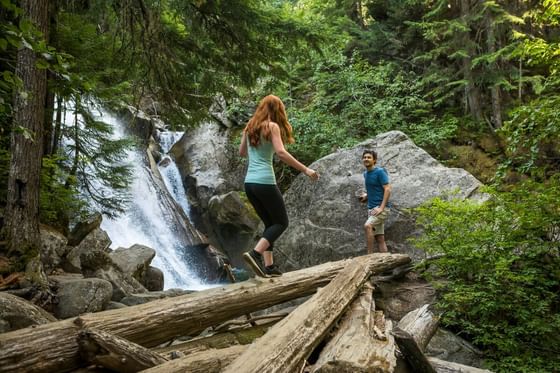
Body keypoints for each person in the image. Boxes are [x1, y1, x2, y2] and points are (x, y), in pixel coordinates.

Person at [239, 95, 319, 277]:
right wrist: (306, 170)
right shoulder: (272, 126)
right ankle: (255, 254)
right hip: (265, 181)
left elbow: (242, 152)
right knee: (282, 222)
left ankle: (269, 266)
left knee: (270, 224)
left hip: (249, 183)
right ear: (278, 110)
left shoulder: (249, 127)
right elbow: (281, 153)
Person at [358, 150, 392, 254]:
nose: (366, 159)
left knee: (368, 226)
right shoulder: (366, 174)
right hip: (372, 209)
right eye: (364, 157)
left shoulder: (380, 172)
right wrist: (366, 196)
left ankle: (369, 256)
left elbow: (387, 189)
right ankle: (387, 265)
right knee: (380, 239)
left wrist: (381, 208)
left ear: (374, 160)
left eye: (369, 157)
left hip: (381, 209)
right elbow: (374, 188)